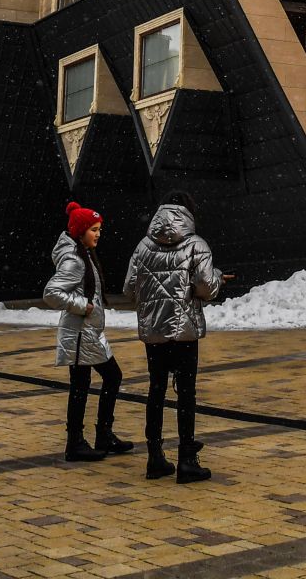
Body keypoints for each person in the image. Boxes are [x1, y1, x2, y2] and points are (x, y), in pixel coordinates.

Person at [124, 189, 220, 484]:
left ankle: (155, 457)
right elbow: (206, 287)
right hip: (185, 332)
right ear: (189, 213)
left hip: (154, 332)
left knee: (156, 390)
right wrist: (216, 277)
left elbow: (129, 288)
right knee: (186, 393)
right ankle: (187, 460)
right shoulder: (196, 245)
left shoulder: (143, 246)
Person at [43, 202, 130, 463]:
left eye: (99, 229)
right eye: (93, 229)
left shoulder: (83, 252)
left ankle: (97, 436)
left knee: (95, 382)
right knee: (96, 381)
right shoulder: (74, 260)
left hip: (88, 332)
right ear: (80, 231)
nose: (98, 234)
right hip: (80, 333)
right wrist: (83, 305)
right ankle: (77, 442)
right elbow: (52, 293)